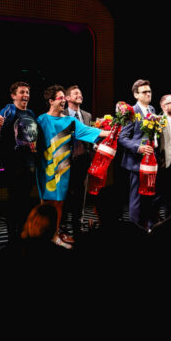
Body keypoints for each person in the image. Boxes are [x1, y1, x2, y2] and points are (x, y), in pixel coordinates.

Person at [35, 85, 109, 246]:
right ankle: (43, 237)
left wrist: (115, 132)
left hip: (63, 169)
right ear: (51, 101)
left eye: (64, 98)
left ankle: (55, 236)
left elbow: (91, 132)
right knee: (45, 204)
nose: (63, 101)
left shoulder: (70, 121)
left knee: (59, 203)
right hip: (45, 168)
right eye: (60, 98)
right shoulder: (41, 120)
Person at [0, 81, 37, 251]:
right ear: (13, 95)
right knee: (14, 202)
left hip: (29, 163)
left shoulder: (30, 112)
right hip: (13, 164)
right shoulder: (8, 110)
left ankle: (22, 234)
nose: (25, 95)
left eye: (27, 92)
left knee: (25, 201)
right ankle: (12, 239)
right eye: (22, 92)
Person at [118, 79, 158, 229]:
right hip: (136, 161)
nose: (148, 94)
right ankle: (135, 231)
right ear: (136, 95)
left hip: (151, 161)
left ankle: (148, 228)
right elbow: (122, 137)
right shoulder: (131, 112)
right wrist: (138, 148)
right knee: (136, 199)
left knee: (150, 197)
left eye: (149, 91)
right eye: (144, 92)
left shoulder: (152, 109)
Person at [61, 85, 93, 241]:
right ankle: (62, 228)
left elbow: (89, 136)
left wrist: (95, 145)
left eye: (80, 93)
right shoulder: (61, 115)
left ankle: (78, 226)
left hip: (83, 161)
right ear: (67, 98)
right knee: (65, 196)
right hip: (65, 162)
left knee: (81, 196)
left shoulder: (87, 115)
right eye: (75, 93)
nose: (79, 95)